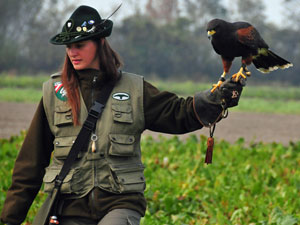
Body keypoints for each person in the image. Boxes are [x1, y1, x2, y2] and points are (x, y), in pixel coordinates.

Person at [0, 5, 245, 225]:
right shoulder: (54, 93)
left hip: (120, 203)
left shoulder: (133, 88)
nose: (72, 52)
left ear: (99, 43)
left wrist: (213, 100)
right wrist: (10, 219)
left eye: (80, 45)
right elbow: (30, 164)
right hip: (69, 207)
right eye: (69, 47)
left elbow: (177, 112)